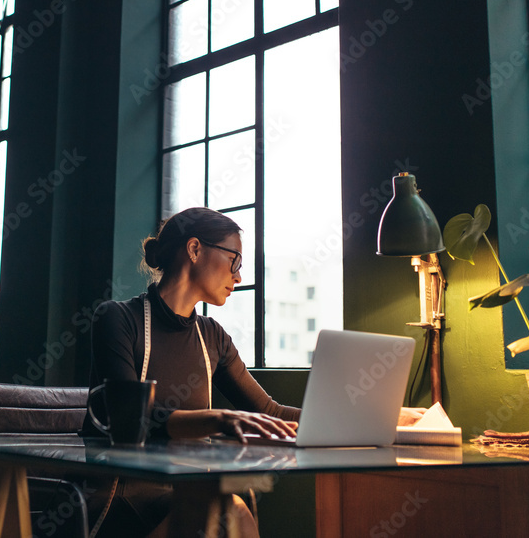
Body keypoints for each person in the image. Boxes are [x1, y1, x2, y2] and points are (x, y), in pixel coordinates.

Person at [82, 207, 423, 537]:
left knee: (228, 506)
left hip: (188, 492)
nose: (239, 276)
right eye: (235, 260)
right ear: (195, 249)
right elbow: (130, 417)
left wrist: (374, 418)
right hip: (119, 496)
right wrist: (219, 419)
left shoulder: (212, 336)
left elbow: (270, 412)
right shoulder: (116, 319)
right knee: (226, 510)